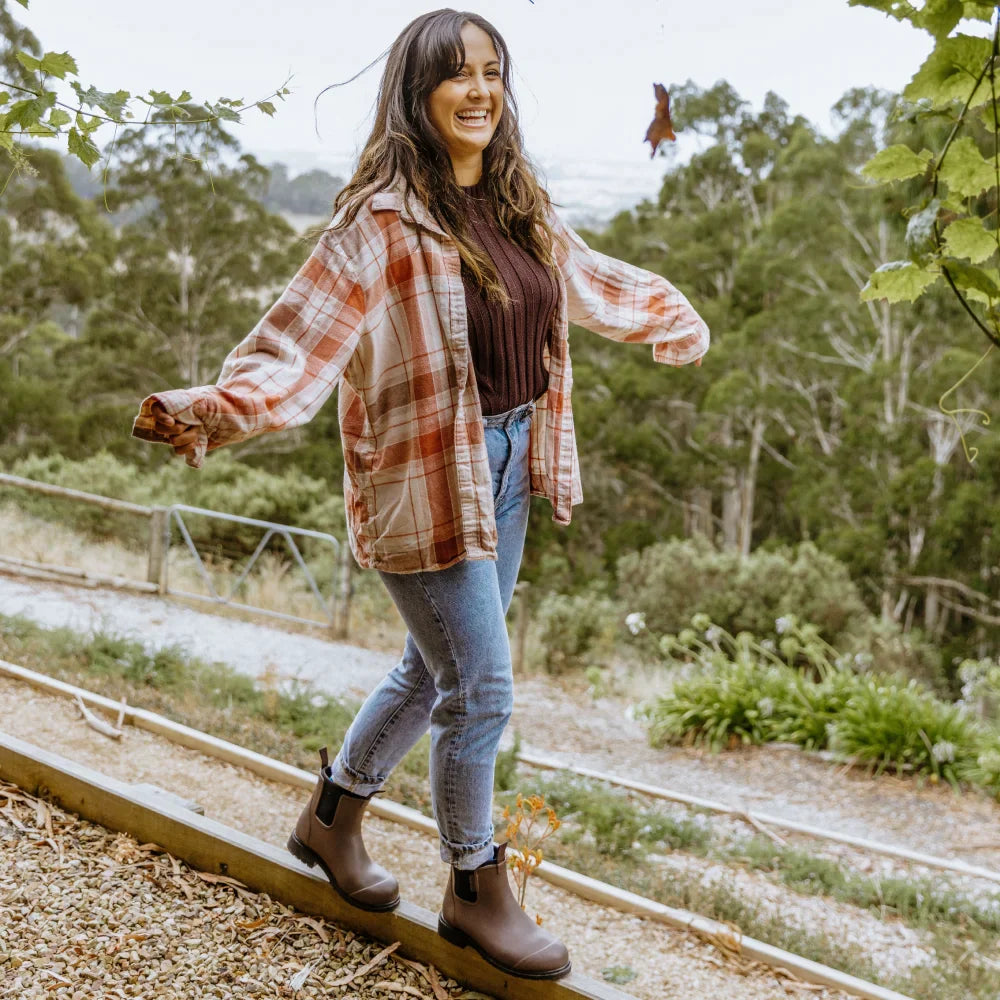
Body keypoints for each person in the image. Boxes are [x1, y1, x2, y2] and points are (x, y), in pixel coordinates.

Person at [132, 8, 708, 981]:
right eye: (455, 74)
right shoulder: (382, 221)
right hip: (426, 469)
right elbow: (297, 335)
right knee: (480, 688)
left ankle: (330, 819)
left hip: (513, 460)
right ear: (417, 92)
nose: (478, 90)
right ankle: (474, 886)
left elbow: (582, 278)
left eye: (492, 71)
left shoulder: (522, 201)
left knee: (425, 668)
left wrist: (663, 312)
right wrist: (215, 408)